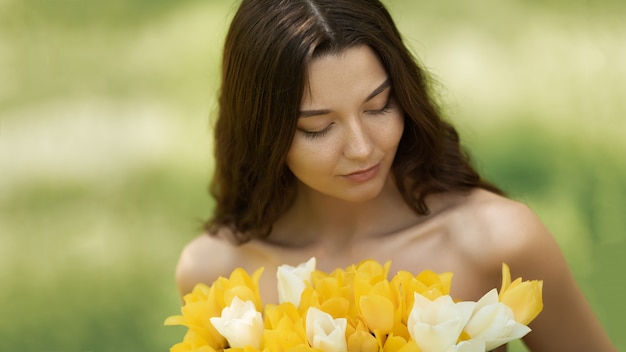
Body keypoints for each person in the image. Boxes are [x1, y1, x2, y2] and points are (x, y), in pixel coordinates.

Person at [175, 0, 617, 350]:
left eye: (379, 105)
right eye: (317, 127)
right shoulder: (215, 275)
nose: (363, 147)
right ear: (263, 133)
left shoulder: (497, 242)